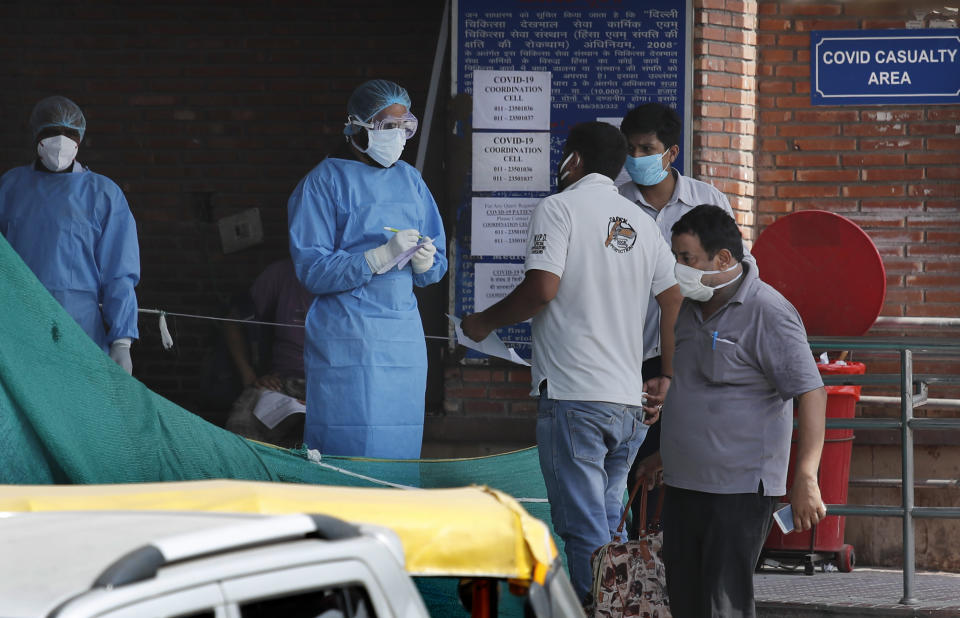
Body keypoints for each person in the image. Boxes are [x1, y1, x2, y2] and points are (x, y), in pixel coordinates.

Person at [461, 121, 683, 601]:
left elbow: (542, 289)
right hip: (628, 404)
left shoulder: (558, 208)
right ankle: (620, 610)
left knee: (584, 530)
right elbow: (674, 299)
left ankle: (596, 611)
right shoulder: (640, 222)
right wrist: (667, 373)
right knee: (607, 529)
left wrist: (482, 324)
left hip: (574, 399)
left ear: (574, 160)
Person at [635, 205, 827, 618]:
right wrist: (665, 454)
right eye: (675, 257)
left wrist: (806, 476)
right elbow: (691, 388)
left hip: (738, 491)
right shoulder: (688, 308)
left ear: (723, 259)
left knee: (724, 604)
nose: (678, 268)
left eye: (687, 258)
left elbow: (811, 392)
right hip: (685, 486)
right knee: (686, 601)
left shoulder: (769, 312)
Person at [287, 79, 447, 459]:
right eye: (386, 127)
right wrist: (374, 259)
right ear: (356, 127)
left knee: (399, 444)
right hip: (348, 338)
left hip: (403, 338)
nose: (398, 137)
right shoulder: (323, 184)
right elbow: (311, 269)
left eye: (404, 127)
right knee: (347, 446)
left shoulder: (411, 181)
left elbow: (435, 261)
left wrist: (426, 262)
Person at [618, 102, 751, 538]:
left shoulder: (707, 201)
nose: (637, 157)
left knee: (686, 465)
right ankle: (635, 576)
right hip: (627, 356)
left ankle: (680, 563)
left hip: (692, 357)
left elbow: (736, 273)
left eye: (647, 148)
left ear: (671, 153)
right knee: (632, 472)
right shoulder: (614, 204)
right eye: (631, 148)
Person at [0, 96, 140, 374]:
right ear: (36, 135)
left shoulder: (102, 194)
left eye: (70, 134)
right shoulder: (10, 188)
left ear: (80, 139)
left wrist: (122, 341)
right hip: (16, 331)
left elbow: (119, 273)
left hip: (80, 332)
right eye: (51, 133)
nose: (61, 141)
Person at [222, 258, 312, 448]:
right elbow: (233, 322)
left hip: (334, 388)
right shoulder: (283, 273)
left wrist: (326, 394)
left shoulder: (351, 275)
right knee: (240, 431)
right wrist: (250, 376)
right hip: (282, 383)